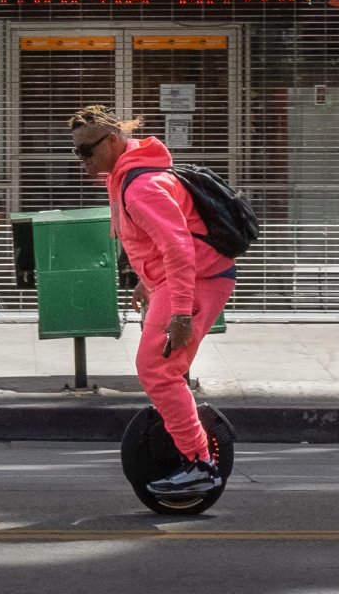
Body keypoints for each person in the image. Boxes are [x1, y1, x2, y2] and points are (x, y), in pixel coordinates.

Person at [68, 105, 236, 496]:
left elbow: (178, 248)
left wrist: (180, 313)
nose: (81, 159)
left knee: (158, 371)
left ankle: (200, 464)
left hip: (197, 281)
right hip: (178, 281)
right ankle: (188, 444)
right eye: (76, 151)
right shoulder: (125, 177)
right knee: (160, 370)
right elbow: (156, 242)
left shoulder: (142, 186)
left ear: (112, 141)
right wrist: (147, 283)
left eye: (87, 150)